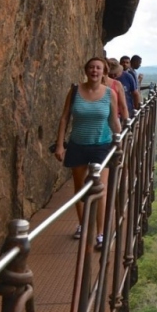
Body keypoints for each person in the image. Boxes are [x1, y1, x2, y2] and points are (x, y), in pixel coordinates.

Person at [54, 57, 121, 249]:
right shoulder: (75, 91)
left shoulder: (110, 94)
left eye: (98, 68)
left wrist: (119, 143)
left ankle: (100, 233)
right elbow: (64, 117)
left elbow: (114, 120)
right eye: (91, 67)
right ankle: (83, 225)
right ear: (86, 70)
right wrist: (60, 145)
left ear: (104, 72)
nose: (94, 71)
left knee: (101, 191)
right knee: (80, 190)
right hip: (78, 144)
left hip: (102, 145)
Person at [103, 59, 130, 127]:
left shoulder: (117, 84)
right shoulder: (95, 85)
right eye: (112, 74)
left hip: (113, 119)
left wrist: (126, 122)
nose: (114, 76)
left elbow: (123, 106)